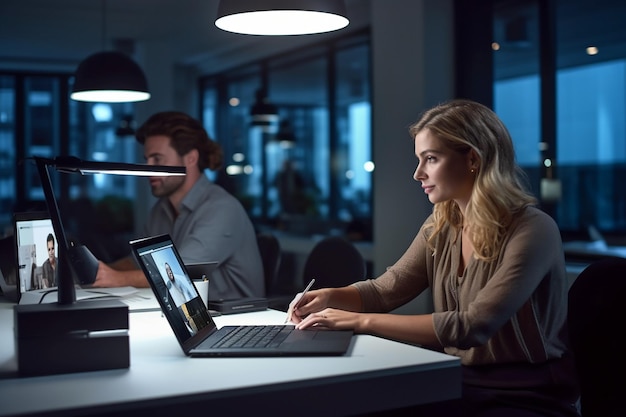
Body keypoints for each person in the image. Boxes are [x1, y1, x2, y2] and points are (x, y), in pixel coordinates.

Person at [287, 99, 579, 417]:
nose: (417, 174)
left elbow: (473, 326)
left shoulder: (533, 229)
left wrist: (360, 322)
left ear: (472, 158)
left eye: (431, 159)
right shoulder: (441, 224)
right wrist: (331, 296)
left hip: (526, 395)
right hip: (454, 380)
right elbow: (386, 291)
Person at [93, 111, 265, 300]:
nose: (148, 168)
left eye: (157, 159)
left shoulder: (222, 209)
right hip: (186, 315)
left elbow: (178, 273)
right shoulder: (160, 210)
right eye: (147, 159)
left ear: (190, 158)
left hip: (236, 321)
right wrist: (97, 271)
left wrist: (116, 279)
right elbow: (139, 263)